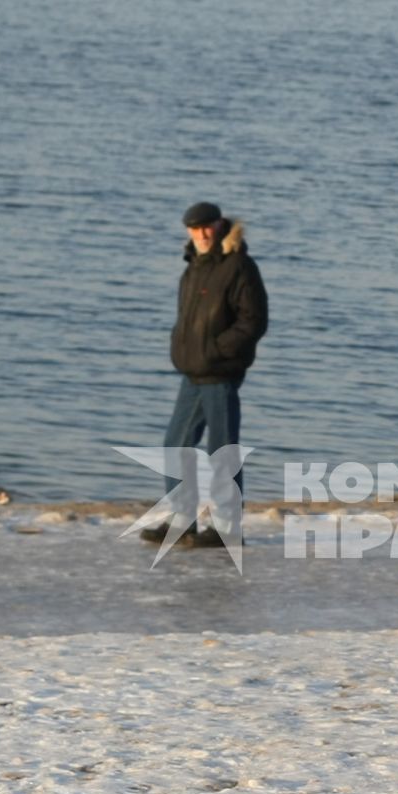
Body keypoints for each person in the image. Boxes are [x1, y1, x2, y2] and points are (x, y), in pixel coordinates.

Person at [141, 202, 268, 549]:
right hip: (193, 374)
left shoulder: (239, 266)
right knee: (175, 445)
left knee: (221, 451)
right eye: (194, 229)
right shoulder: (194, 267)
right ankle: (183, 522)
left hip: (221, 374)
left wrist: (217, 350)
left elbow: (253, 321)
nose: (201, 234)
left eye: (206, 227)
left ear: (219, 225)